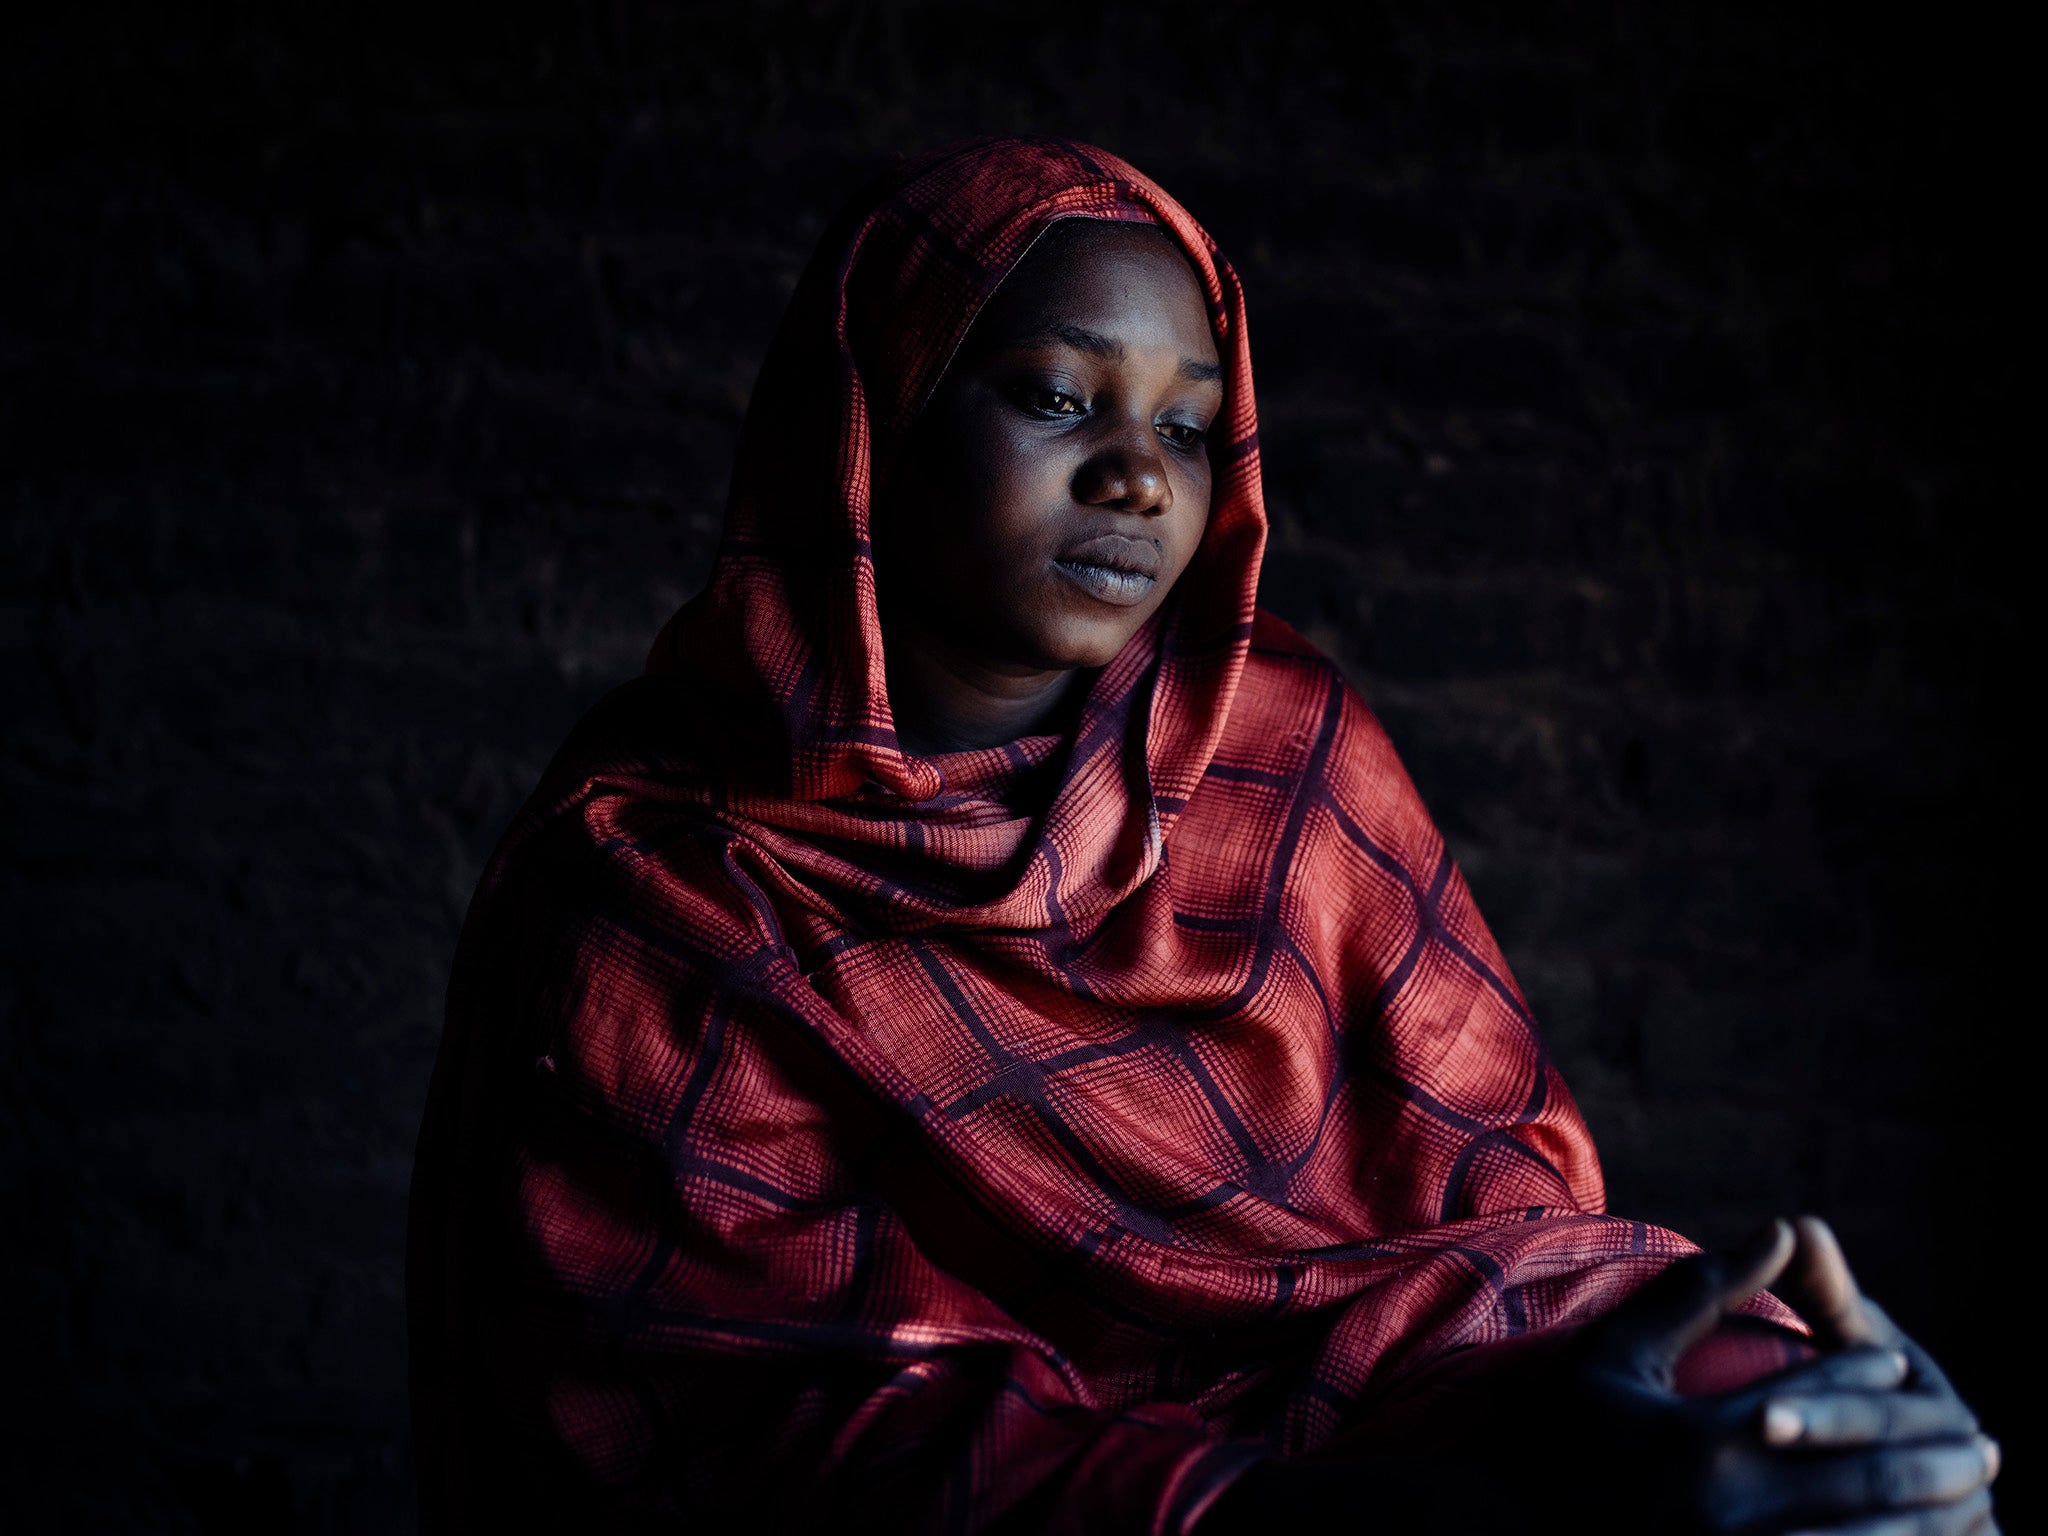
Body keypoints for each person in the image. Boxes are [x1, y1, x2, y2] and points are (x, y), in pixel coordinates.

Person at [406, 137, 1998, 1534]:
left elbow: (1504, 1197)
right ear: (873, 414)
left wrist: (1749, 1377)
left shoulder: (1277, 751)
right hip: (1095, 1493)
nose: (1139, 478)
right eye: (1055, 395)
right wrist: (1358, 1515)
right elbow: (752, 1431)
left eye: (1188, 427)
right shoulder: (662, 883)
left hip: (1359, 1389)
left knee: (1780, 1417)